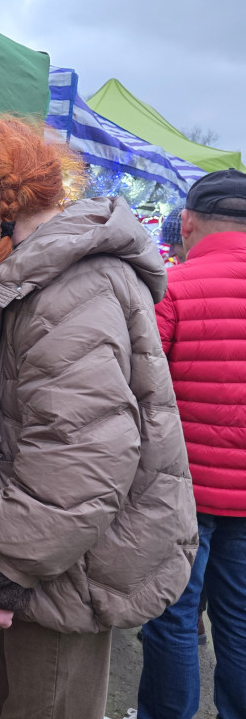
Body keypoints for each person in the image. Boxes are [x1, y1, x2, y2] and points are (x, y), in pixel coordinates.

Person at [0, 116, 197, 719]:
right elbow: (42, 385)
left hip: (55, 574)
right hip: (45, 567)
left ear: (1, 192)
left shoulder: (72, 282)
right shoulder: (42, 269)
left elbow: (83, 455)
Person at [137, 169, 246, 719]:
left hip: (183, 492)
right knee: (242, 622)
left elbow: (141, 388)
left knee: (173, 616)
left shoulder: (172, 286)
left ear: (188, 222)